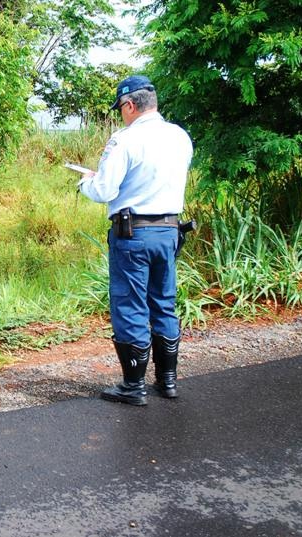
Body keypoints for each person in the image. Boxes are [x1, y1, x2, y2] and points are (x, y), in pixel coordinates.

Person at [77, 75, 193, 406]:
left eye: (121, 109)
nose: (120, 115)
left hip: (134, 233)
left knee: (130, 304)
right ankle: (167, 381)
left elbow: (105, 190)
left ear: (129, 105)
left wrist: (86, 182)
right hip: (170, 231)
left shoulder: (124, 140)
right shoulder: (180, 137)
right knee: (163, 301)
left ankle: (133, 386)